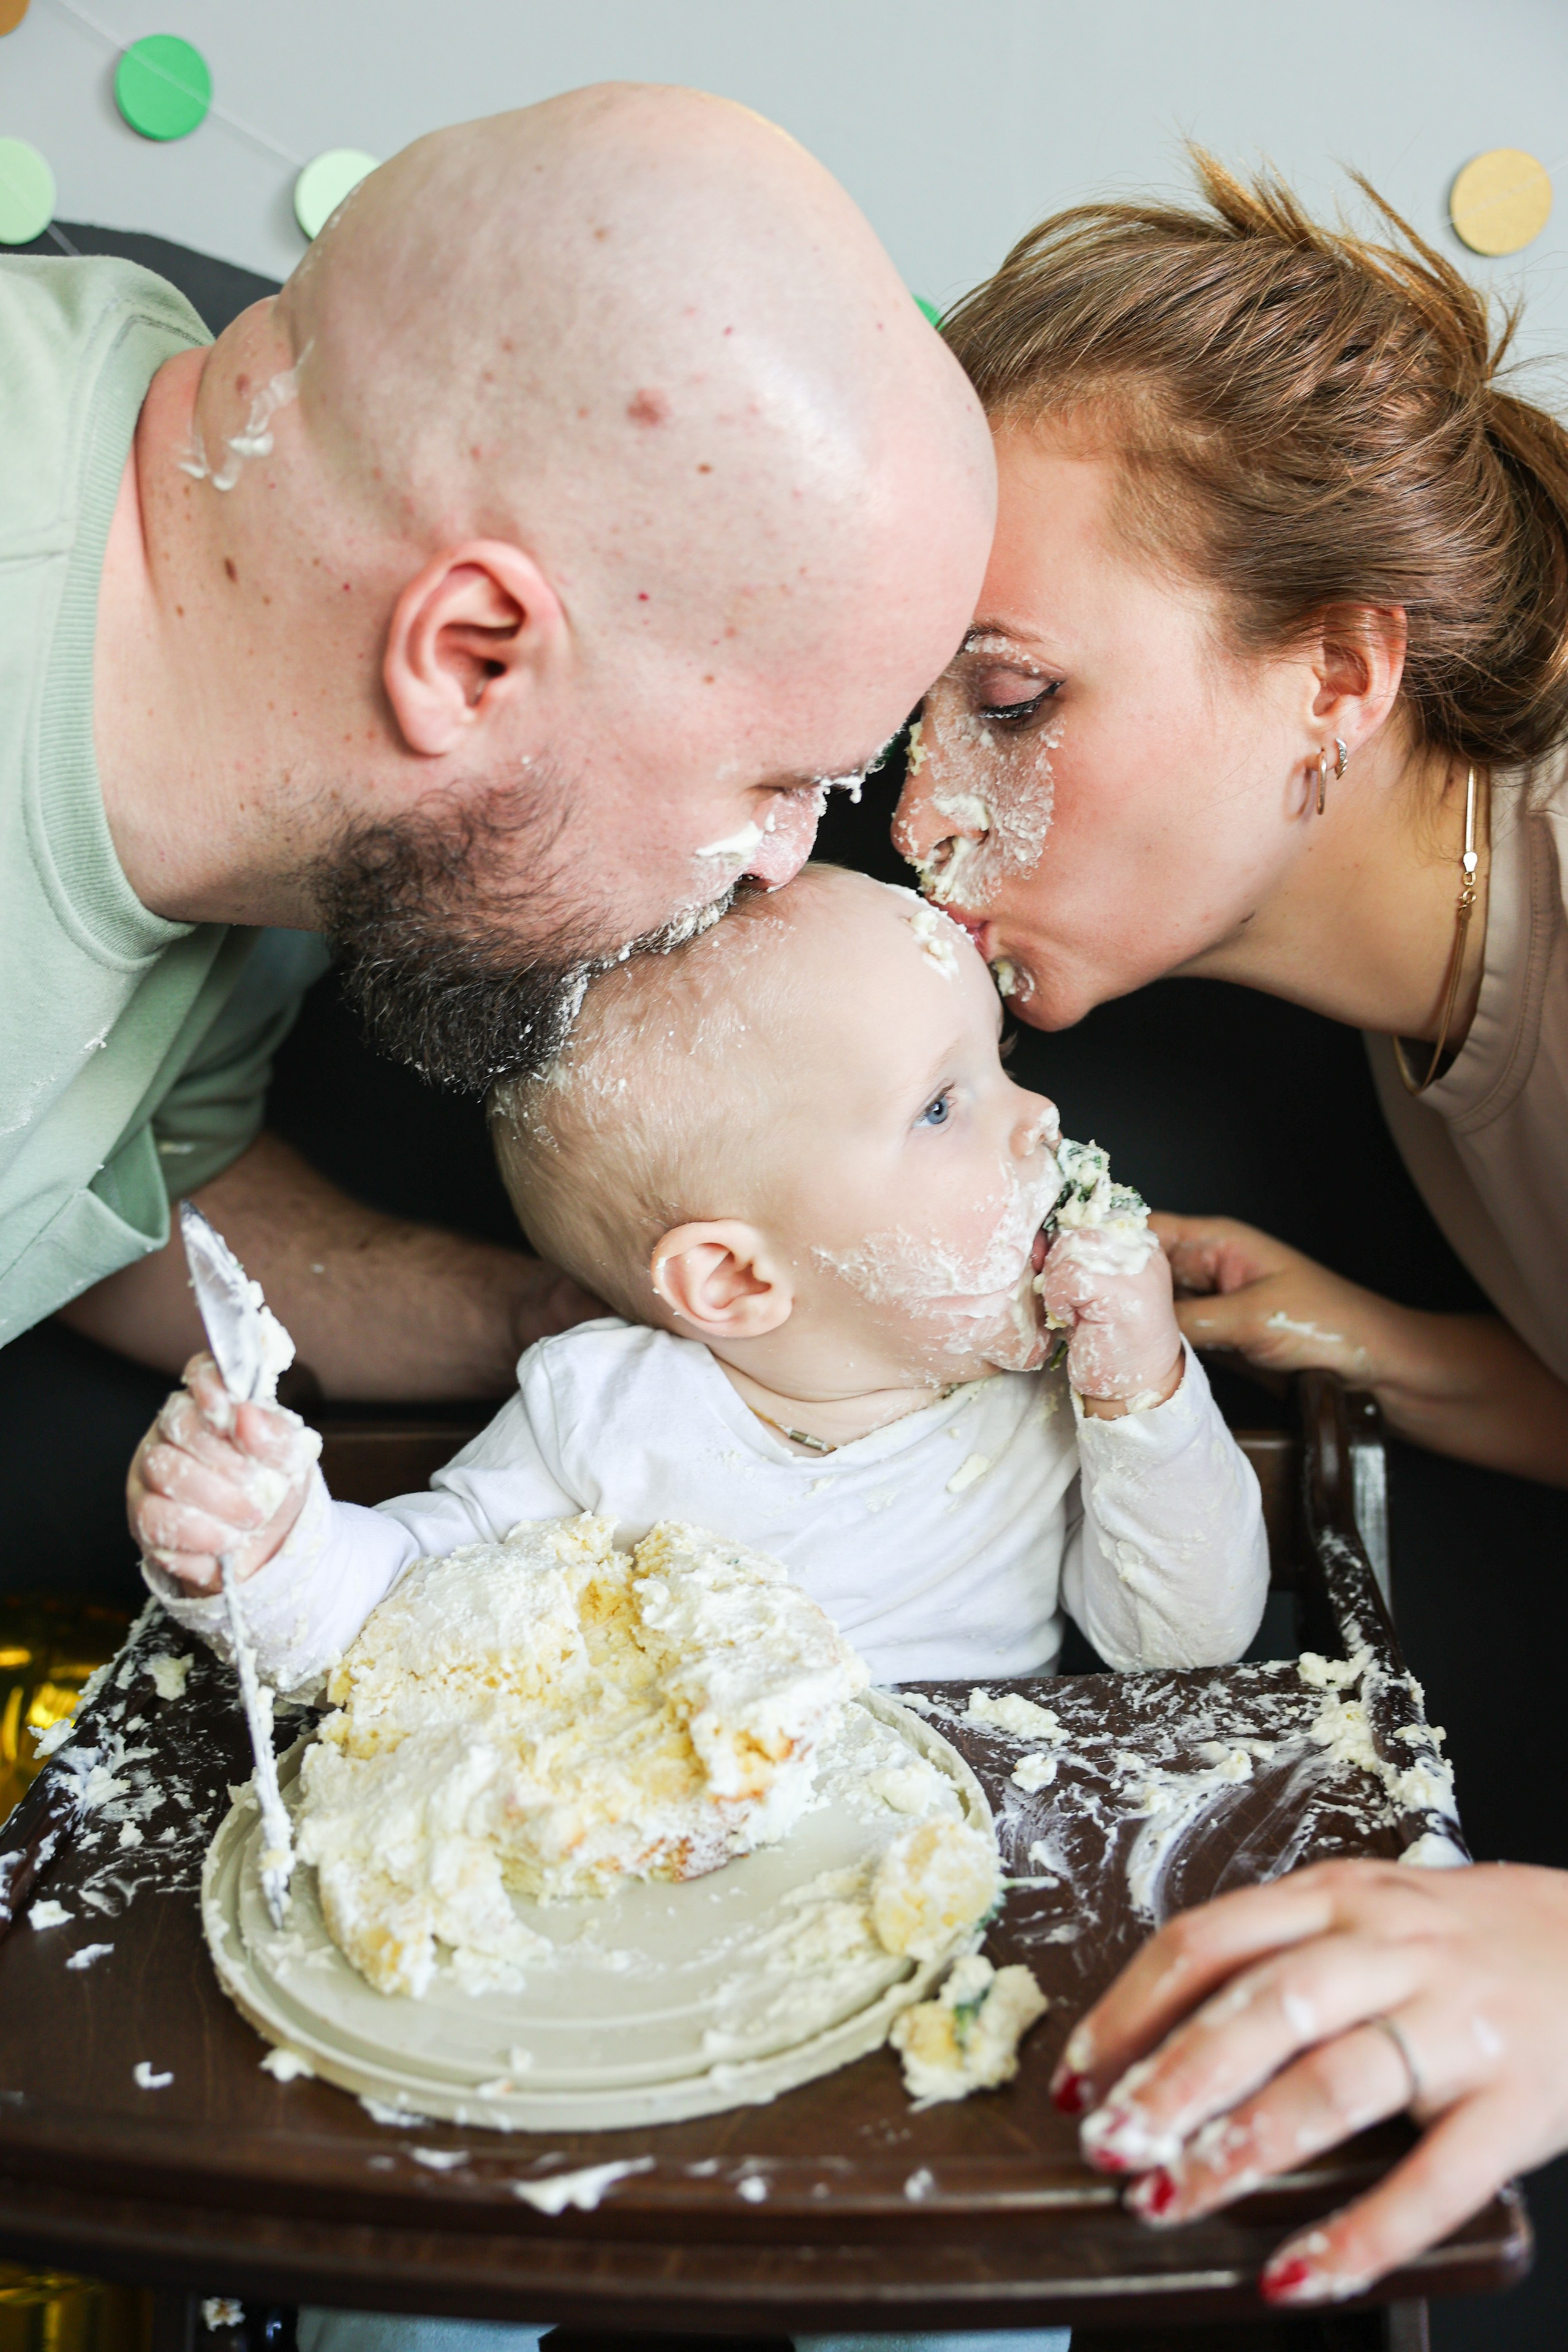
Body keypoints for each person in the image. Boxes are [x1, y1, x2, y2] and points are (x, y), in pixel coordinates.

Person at [892, 156, 1568, 2303]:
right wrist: (1351, 1332)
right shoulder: (1423, 954)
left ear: (1339, 671)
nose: (920, 819)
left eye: (1009, 699)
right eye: (908, 716)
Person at [4, 82, 993, 1410]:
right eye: (774, 782)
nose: (780, 863)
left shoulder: (291, 811)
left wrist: (579, 1340)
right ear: (468, 656)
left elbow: (121, 1194)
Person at [127, 864, 1268, 1689]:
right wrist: (274, 1554)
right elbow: (396, 1610)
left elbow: (1182, 1646)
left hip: (954, 1872)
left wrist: (1147, 1399)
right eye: (938, 1106)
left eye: (1001, 1064)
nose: (1042, 1120)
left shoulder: (1051, 1410)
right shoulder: (609, 1412)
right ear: (731, 1280)